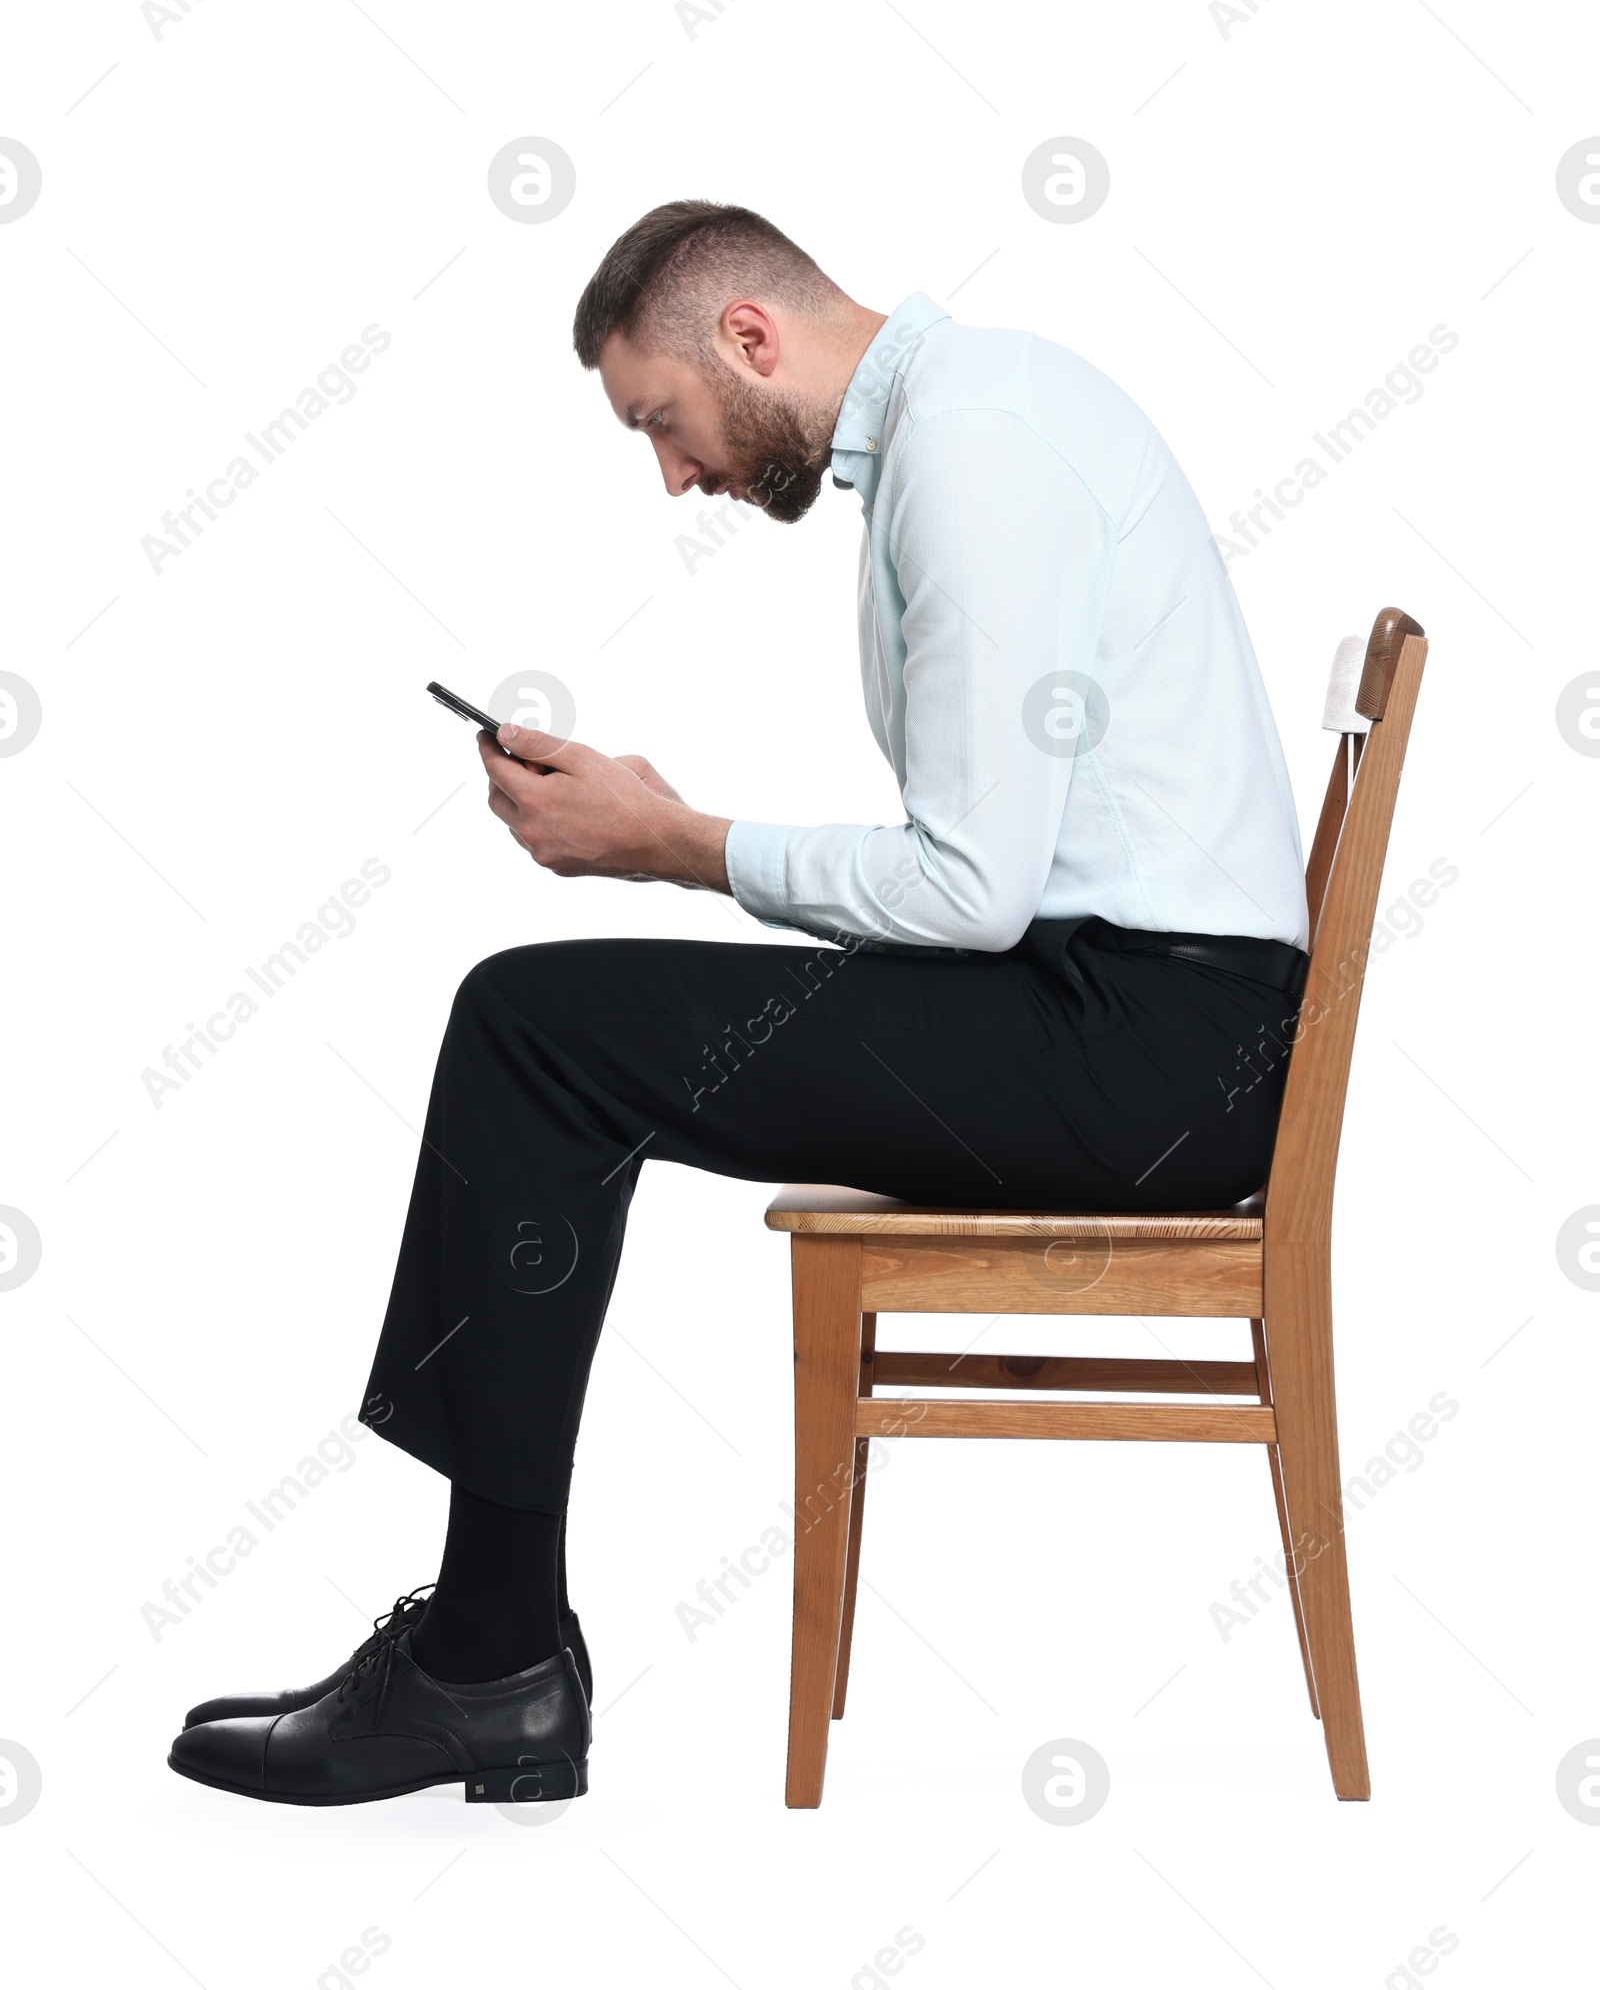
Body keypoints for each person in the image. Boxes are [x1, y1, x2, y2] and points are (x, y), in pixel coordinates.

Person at [168, 200, 1309, 1807]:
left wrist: (676, 845)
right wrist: (679, 843)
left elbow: (973, 893)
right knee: (551, 1026)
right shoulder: (965, 422)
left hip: (1143, 1058)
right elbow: (994, 888)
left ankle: (488, 1663)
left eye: (663, 419)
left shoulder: (973, 445)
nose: (676, 473)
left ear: (748, 341)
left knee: (536, 1028)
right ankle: (488, 1650)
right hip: (1132, 1025)